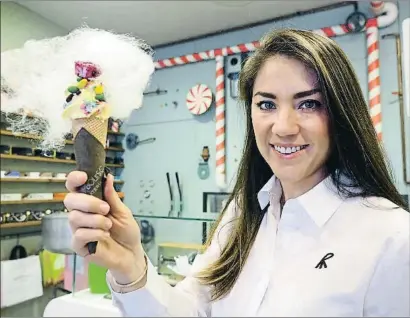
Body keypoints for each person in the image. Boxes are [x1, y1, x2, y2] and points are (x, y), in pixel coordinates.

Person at [65, 28, 410, 317]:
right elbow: (191, 310)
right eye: (266, 104)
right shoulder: (241, 215)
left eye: (309, 103)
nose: (284, 127)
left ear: (341, 114)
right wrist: (131, 266)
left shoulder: (392, 236)